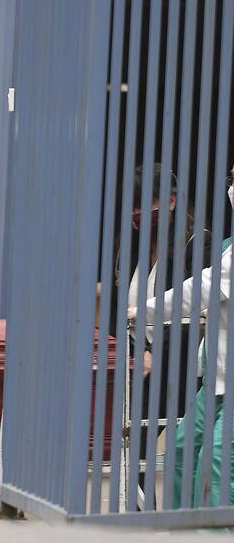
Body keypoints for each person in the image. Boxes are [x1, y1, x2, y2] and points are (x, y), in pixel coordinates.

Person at [128, 169, 234, 507]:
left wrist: (144, 311)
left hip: (193, 369)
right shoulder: (135, 248)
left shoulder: (200, 244)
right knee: (179, 453)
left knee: (215, 462)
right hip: (213, 378)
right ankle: (180, 528)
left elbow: (202, 289)